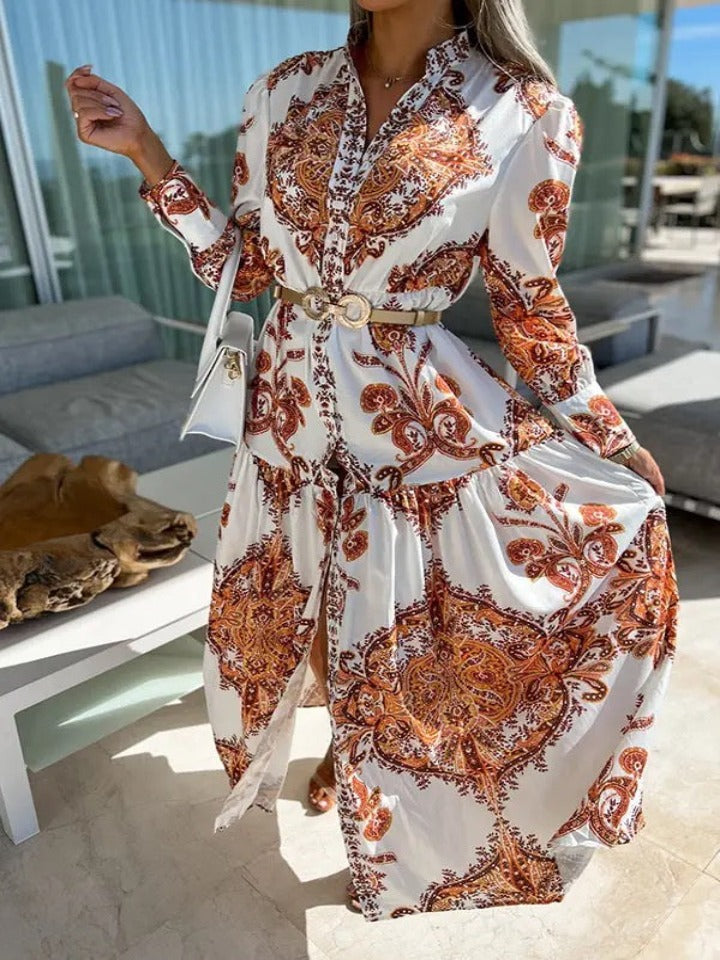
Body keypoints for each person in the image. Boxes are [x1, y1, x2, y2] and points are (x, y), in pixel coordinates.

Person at [65, 0, 679, 922]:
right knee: (314, 595)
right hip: (287, 415)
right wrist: (147, 153)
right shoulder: (284, 91)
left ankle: (415, 792)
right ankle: (345, 746)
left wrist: (607, 431)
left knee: (414, 611)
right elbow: (244, 267)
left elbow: (528, 300)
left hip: (412, 417)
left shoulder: (524, 111)